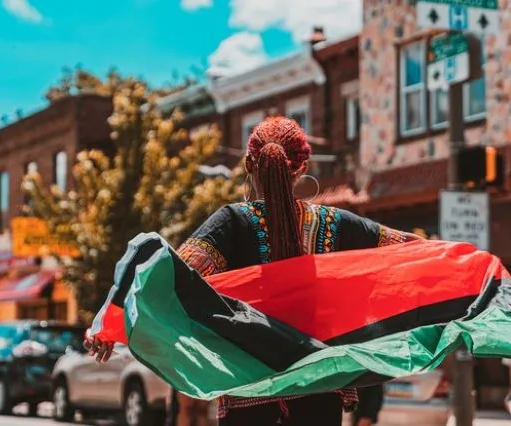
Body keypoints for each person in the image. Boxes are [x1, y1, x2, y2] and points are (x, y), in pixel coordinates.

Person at [88, 116, 421, 425]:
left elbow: (176, 275)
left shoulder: (232, 223)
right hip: (319, 384)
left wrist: (112, 324)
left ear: (249, 164)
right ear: (302, 167)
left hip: (248, 387)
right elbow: (411, 251)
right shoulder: (339, 224)